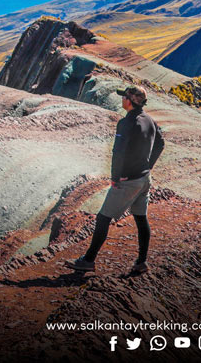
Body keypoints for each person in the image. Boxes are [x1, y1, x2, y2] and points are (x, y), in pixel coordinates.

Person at [66, 85, 165, 274]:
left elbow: (118, 153)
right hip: (144, 179)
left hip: (128, 181)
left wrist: (115, 177)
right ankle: (141, 262)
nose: (122, 100)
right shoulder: (150, 120)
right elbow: (161, 143)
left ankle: (88, 260)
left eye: (124, 97)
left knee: (103, 218)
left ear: (129, 101)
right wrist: (148, 166)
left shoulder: (127, 123)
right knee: (141, 218)